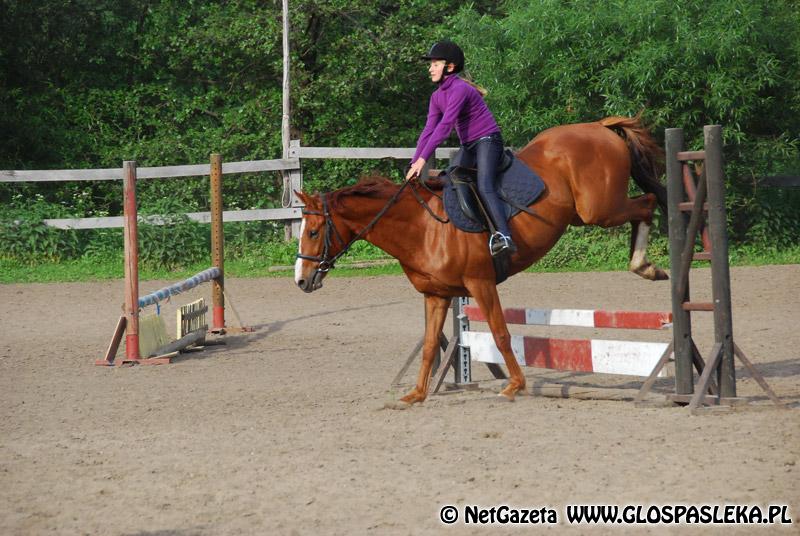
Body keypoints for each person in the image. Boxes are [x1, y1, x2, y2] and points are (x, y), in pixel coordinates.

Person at [406, 40, 516, 256]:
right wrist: (414, 163)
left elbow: (445, 127)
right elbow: (428, 131)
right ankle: (469, 236)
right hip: (469, 145)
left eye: (435, 64)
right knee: (449, 179)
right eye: (431, 65)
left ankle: (504, 236)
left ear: (450, 66)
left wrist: (422, 161)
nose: (430, 69)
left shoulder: (460, 89)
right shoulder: (436, 96)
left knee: (484, 185)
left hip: (487, 140)